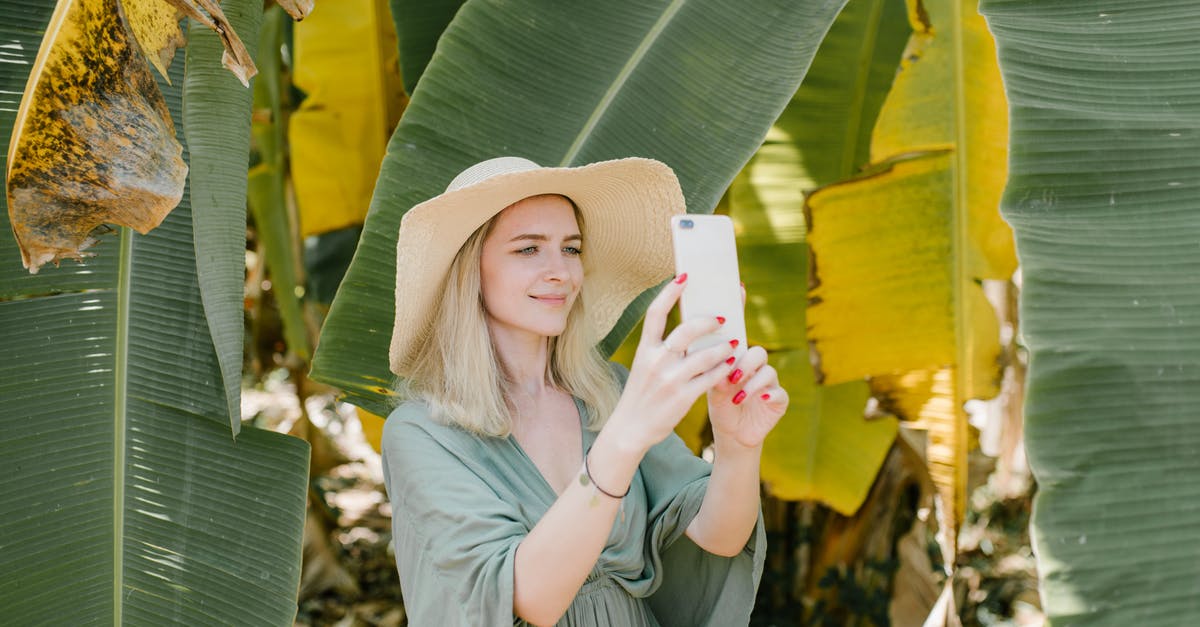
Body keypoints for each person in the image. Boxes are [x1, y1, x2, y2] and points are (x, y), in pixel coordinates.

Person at [381, 156, 789, 626]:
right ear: (470, 269)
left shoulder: (606, 392)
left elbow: (719, 536)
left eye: (571, 249)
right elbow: (531, 598)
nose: (560, 271)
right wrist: (626, 437)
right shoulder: (422, 433)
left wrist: (738, 446)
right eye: (528, 249)